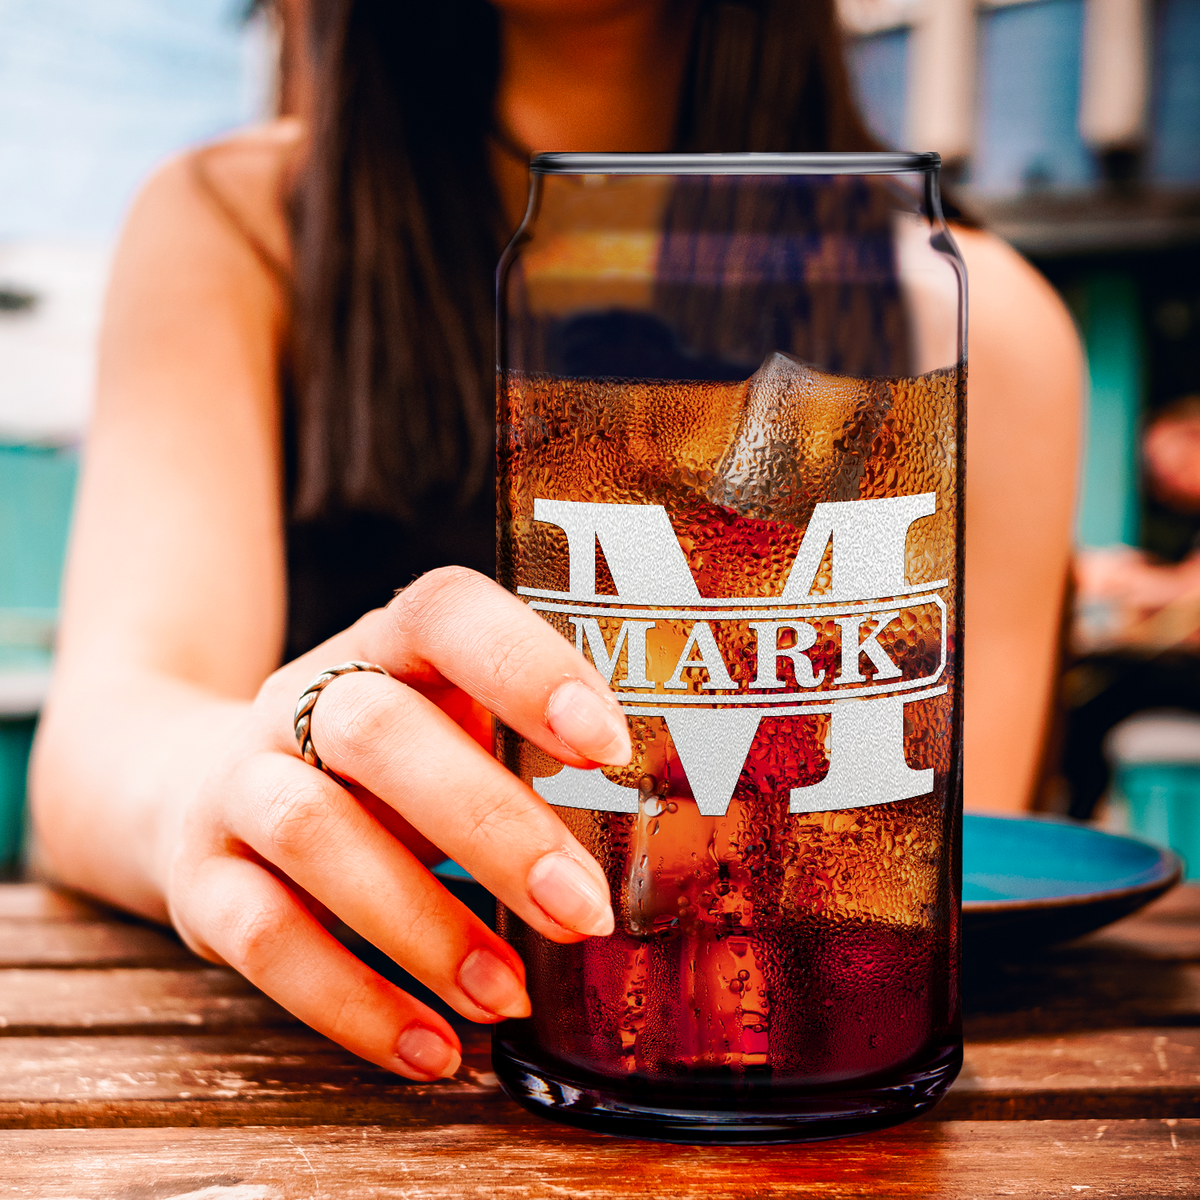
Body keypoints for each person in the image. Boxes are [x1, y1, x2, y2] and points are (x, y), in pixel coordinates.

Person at [29, 0, 1082, 1082]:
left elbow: (922, 890)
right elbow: (109, 730)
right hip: (382, 1080)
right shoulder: (239, 225)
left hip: (774, 1090)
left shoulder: (977, 323)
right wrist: (234, 785)